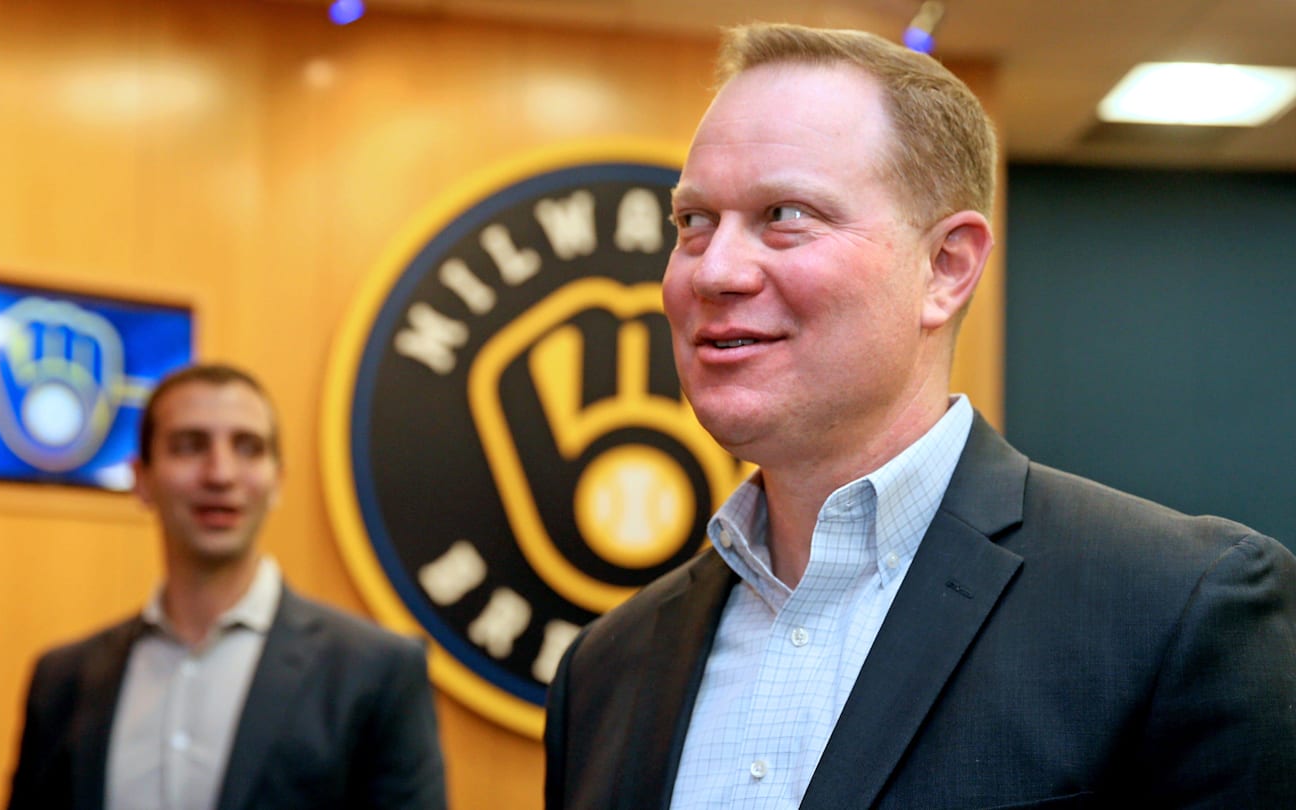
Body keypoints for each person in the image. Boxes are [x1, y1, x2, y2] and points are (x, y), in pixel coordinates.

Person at [543, 23, 1296, 810]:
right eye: (693, 223)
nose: (716, 270)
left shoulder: (1176, 613)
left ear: (946, 267)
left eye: (786, 214)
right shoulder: (604, 672)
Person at [7, 363, 446, 810]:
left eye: (248, 448)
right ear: (141, 478)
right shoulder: (63, 682)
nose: (220, 473)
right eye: (189, 446)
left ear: (278, 479)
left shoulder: (379, 674)